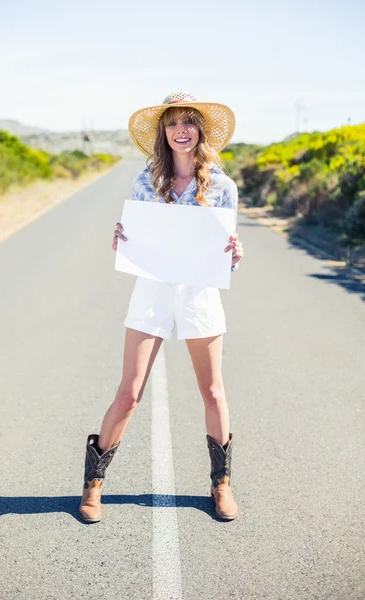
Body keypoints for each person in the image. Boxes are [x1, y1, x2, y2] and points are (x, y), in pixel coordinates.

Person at [79, 92, 244, 523]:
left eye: (189, 122)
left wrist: (234, 252)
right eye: (172, 123)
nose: (181, 130)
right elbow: (138, 240)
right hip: (152, 291)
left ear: (201, 130)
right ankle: (93, 484)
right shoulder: (145, 181)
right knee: (129, 393)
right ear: (163, 132)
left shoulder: (224, 187)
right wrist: (124, 239)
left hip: (199, 293)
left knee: (212, 391)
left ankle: (221, 484)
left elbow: (225, 255)